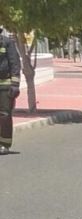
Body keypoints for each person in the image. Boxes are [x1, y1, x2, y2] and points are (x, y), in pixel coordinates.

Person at [0, 27, 21, 155]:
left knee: (4, 115)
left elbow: (15, 63)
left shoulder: (7, 43)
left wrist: (15, 84)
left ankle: (5, 144)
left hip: (5, 85)